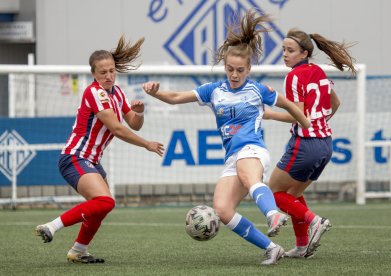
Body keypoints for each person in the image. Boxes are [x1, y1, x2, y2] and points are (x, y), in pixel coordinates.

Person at [142, 11, 310, 265]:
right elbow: (176, 97)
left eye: (240, 70)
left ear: (249, 69)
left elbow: (289, 105)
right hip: (233, 156)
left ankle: (273, 214)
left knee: (249, 175)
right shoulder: (213, 91)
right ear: (224, 67)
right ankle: (271, 248)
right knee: (222, 209)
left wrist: (306, 122)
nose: (234, 74)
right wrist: (156, 93)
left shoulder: (258, 90)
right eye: (230, 69)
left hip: (253, 149)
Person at [35, 35, 165, 264]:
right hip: (75, 156)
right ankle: (52, 226)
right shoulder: (95, 92)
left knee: (101, 207)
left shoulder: (118, 93)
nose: (109, 76)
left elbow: (132, 123)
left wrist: (140, 112)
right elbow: (116, 128)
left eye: (112, 71)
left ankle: (78, 251)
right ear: (94, 74)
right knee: (106, 201)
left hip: (92, 160)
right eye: (103, 72)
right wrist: (147, 144)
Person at [264, 28, 357, 258]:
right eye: (284, 49)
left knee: (273, 192)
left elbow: (299, 115)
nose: (285, 54)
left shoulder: (294, 76)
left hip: (305, 144)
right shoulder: (318, 71)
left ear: (304, 53)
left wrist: (270, 114)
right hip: (325, 144)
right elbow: (336, 102)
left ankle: (315, 221)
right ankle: (303, 245)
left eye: (290, 50)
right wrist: (320, 123)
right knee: (292, 195)